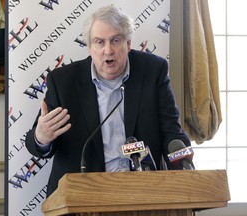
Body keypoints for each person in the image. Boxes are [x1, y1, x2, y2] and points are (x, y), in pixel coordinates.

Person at [25, 5, 191, 198]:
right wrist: (42, 137)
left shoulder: (153, 71)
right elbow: (35, 145)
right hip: (81, 196)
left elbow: (172, 132)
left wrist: (184, 172)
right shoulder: (63, 82)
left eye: (115, 40)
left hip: (143, 193)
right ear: (89, 47)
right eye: (99, 42)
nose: (108, 50)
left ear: (128, 44)